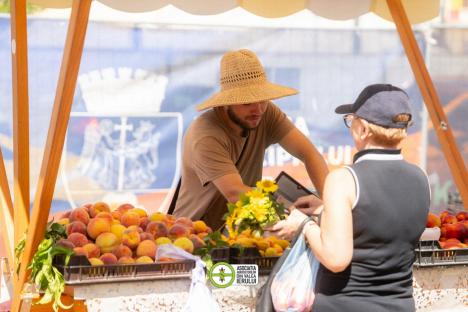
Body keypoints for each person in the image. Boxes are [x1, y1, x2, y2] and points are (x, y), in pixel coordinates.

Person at [269, 84, 430, 311]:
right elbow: (378, 222)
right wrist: (326, 209)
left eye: (351, 120)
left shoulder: (343, 180)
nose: (350, 126)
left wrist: (303, 225)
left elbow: (336, 259)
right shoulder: (421, 179)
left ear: (363, 129)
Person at [172, 49, 328, 230]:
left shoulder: (266, 111)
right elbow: (235, 192)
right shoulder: (205, 135)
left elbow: (309, 154)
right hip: (195, 238)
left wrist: (329, 207)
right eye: (247, 102)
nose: (258, 109)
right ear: (227, 102)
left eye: (262, 99)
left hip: (241, 232)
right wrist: (289, 209)